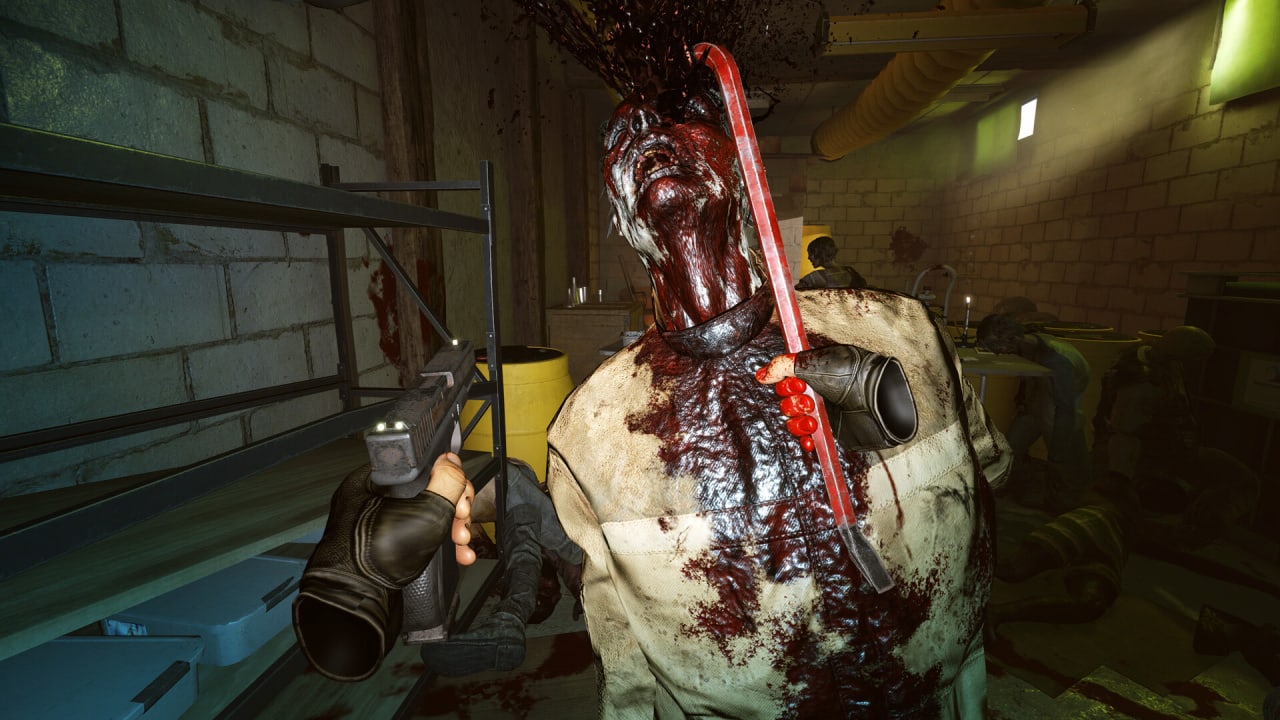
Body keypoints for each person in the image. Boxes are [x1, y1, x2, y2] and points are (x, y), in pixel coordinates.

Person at [542, 71, 1011, 717]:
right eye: (623, 135)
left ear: (739, 163)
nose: (649, 134)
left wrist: (898, 436)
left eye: (687, 115)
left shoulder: (904, 334)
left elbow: (988, 480)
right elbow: (620, 649)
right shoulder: (592, 430)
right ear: (621, 213)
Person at [291, 452, 476, 681]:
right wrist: (445, 470)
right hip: (374, 572)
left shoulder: (394, 545)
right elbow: (446, 476)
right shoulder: (393, 545)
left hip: (353, 579)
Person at [977, 313, 1092, 511]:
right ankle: (1009, 483)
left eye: (996, 346)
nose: (996, 353)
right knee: (1012, 444)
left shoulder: (1057, 360)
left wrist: (1057, 455)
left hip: (1061, 395)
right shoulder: (1028, 344)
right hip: (1043, 394)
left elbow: (1066, 408)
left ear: (1009, 339)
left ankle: (1067, 497)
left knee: (1064, 443)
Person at [795, 235, 867, 290]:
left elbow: (795, 292)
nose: (809, 257)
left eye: (811, 253)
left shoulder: (816, 276)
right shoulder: (850, 271)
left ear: (819, 253)